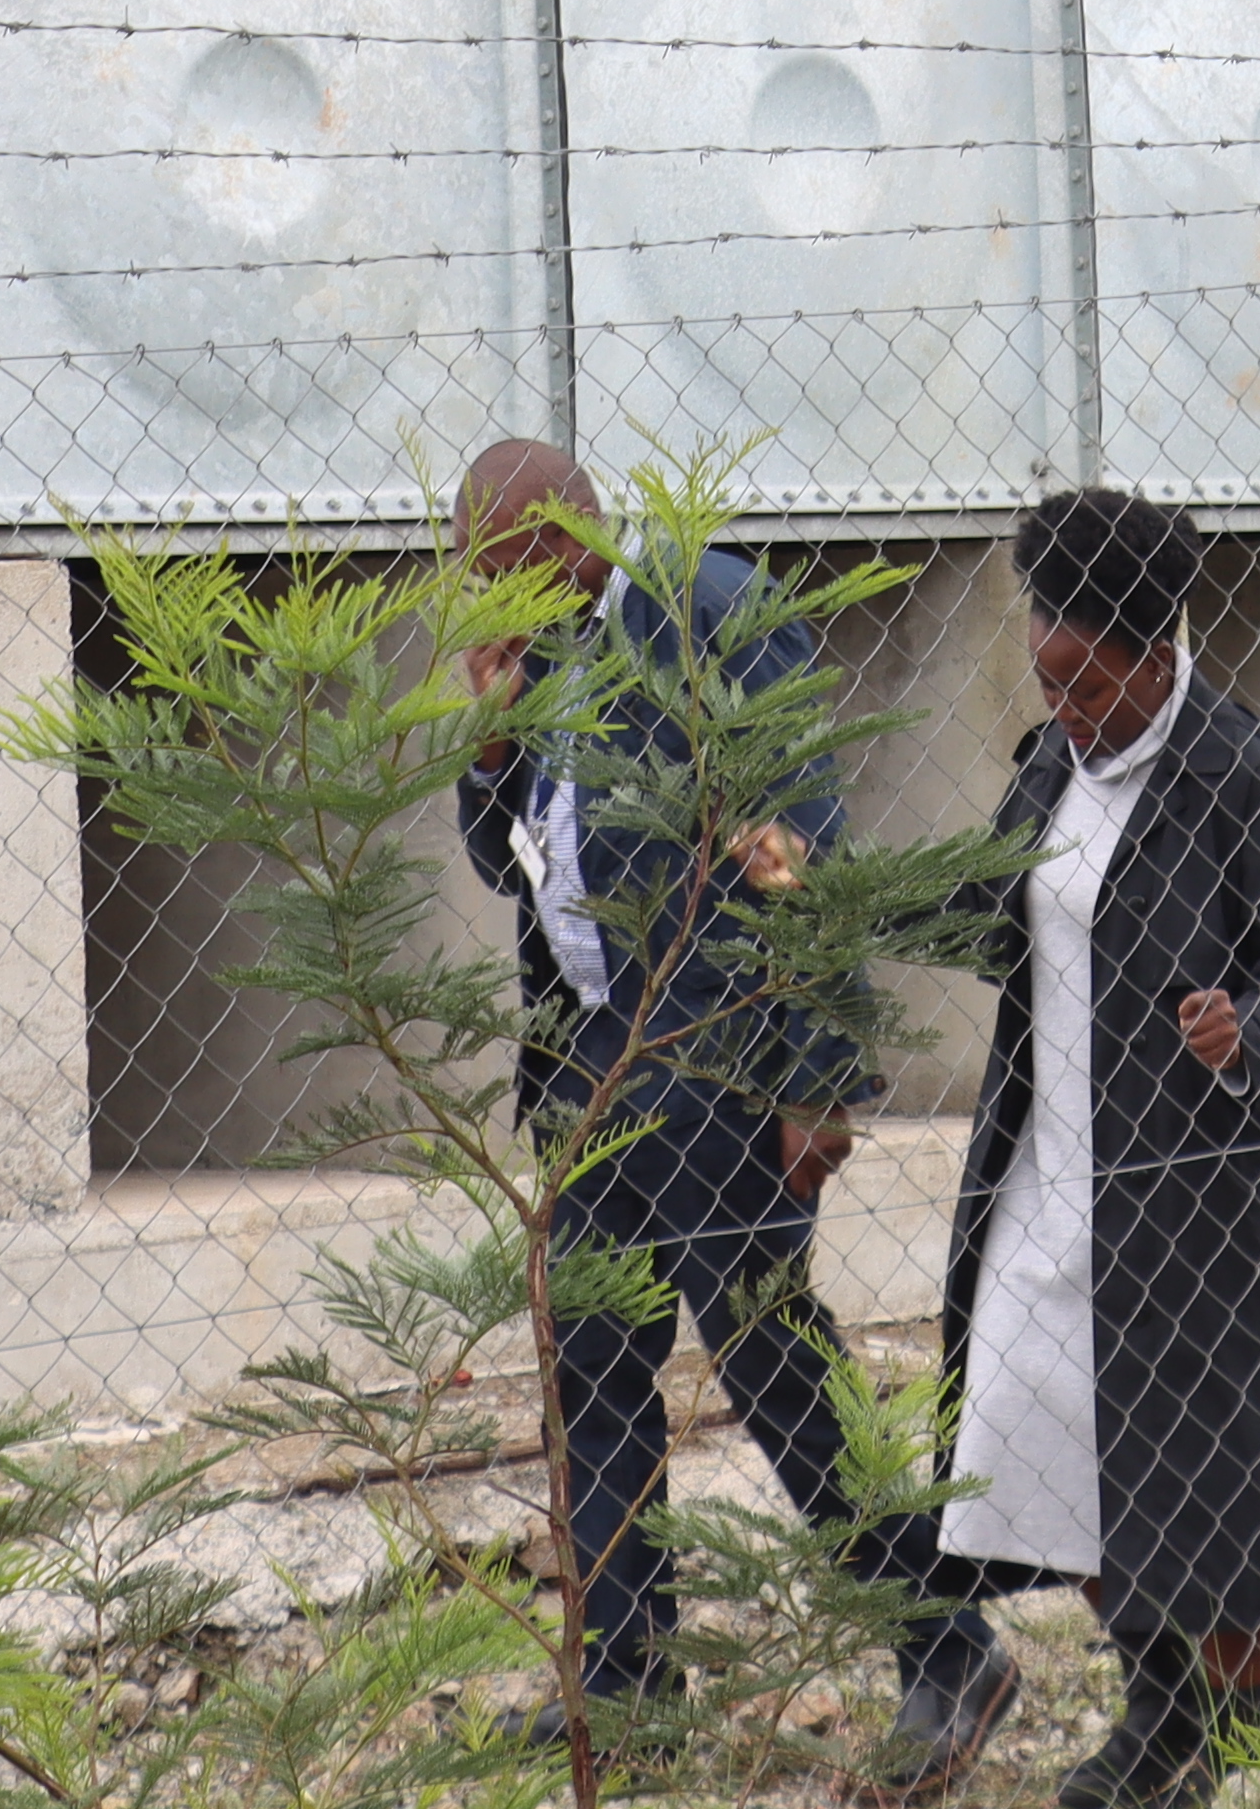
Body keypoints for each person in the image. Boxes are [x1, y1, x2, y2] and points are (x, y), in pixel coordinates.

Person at [444, 439, 1016, 1781]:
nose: (476, 605)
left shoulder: (704, 608)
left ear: (558, 545)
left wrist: (815, 1072)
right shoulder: (545, 656)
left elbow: (800, 834)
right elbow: (499, 864)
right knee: (592, 1372)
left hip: (716, 1052)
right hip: (590, 1069)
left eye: (491, 575)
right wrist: (493, 731)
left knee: (767, 1356)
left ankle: (944, 1645)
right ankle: (625, 1692)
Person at [931, 485, 1260, 1809]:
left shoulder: (1241, 772)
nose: (1065, 703)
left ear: (1155, 650)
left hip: (1198, 1193)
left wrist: (1248, 1031)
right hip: (1050, 1174)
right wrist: (826, 899)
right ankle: (1171, 1702)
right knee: (1041, 1434)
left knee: (1195, 1469)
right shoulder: (1050, 764)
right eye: (1048, 675)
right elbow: (993, 921)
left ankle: (1219, 1717)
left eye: (1087, 680)